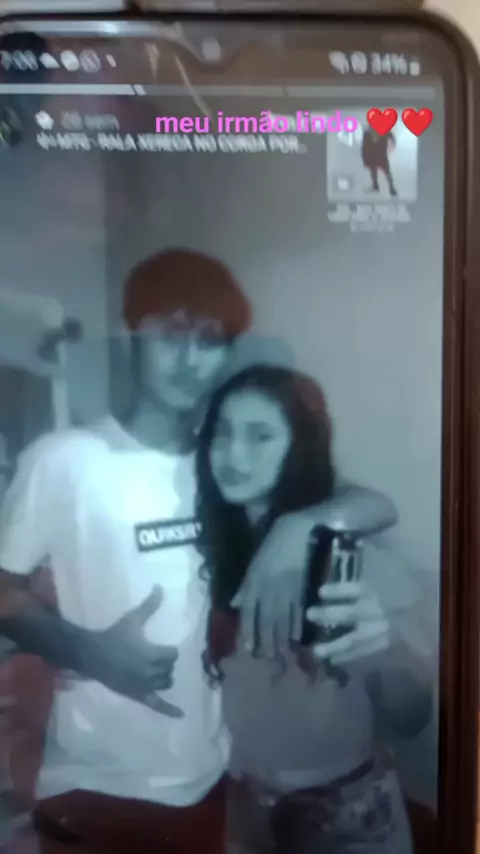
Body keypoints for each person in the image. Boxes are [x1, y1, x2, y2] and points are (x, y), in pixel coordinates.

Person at [0, 249, 398, 854]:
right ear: (133, 336)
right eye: (171, 335)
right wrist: (84, 650)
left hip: (214, 781)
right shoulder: (64, 459)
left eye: (210, 341)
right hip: (91, 783)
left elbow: (367, 502)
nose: (189, 360)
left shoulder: (227, 466)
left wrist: (300, 527)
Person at [196, 365, 433, 854]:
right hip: (245, 811)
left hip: (346, 816)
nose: (234, 454)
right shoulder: (212, 548)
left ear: (299, 447)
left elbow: (412, 717)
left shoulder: (353, 558)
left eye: (260, 436)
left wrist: (389, 647)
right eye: (222, 432)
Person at [361, 126, 398, 197]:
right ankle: (376, 186)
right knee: (374, 171)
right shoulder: (367, 133)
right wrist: (365, 159)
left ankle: (391, 188)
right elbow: (364, 147)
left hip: (381, 155)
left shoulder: (382, 131)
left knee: (386, 172)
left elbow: (391, 137)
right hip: (373, 156)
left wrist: (393, 143)